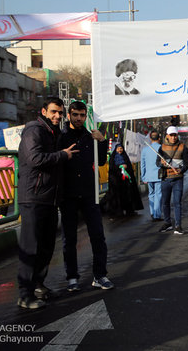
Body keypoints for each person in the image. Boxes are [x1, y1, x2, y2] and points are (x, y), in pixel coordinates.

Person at [16, 97, 78, 309]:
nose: (57, 116)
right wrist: (62, 155)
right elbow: (35, 159)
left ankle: (38, 285)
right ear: (44, 111)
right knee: (30, 247)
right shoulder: (34, 130)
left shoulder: (54, 132)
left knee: (46, 246)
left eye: (60, 113)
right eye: (53, 112)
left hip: (50, 198)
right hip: (33, 196)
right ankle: (25, 294)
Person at [59, 101, 113, 292]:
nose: (79, 118)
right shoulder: (61, 137)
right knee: (69, 238)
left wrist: (102, 140)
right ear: (69, 115)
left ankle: (100, 275)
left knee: (98, 235)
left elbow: (102, 161)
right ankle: (72, 277)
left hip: (90, 194)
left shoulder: (91, 137)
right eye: (75, 115)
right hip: (68, 195)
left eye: (82, 115)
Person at [157, 126, 188, 234]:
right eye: (171, 135)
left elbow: (187, 163)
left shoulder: (182, 146)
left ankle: (178, 226)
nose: (173, 137)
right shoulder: (161, 148)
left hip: (178, 179)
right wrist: (161, 163)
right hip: (165, 179)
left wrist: (181, 170)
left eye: (175, 135)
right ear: (167, 135)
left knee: (177, 202)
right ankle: (167, 223)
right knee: (165, 202)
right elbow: (157, 162)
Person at [106, 143, 144, 217]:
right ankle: (117, 211)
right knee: (117, 197)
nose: (120, 150)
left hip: (126, 183)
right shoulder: (113, 158)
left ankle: (129, 210)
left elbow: (130, 169)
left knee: (128, 195)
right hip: (116, 182)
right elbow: (111, 169)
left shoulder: (125, 157)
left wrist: (126, 167)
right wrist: (119, 167)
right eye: (118, 149)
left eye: (121, 148)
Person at [141, 131, 163, 221]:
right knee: (158, 194)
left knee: (151, 194)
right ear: (159, 138)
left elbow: (143, 165)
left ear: (150, 139)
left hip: (148, 176)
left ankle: (152, 213)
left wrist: (143, 177)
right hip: (159, 175)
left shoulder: (145, 150)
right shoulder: (162, 148)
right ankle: (157, 215)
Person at [0, 146, 14, 218]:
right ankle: (4, 215)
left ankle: (2, 215)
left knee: (2, 201)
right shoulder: (12, 161)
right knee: (6, 200)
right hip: (9, 187)